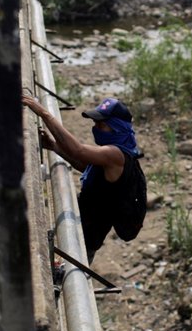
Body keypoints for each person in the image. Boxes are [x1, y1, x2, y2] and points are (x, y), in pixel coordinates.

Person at [22, 95, 146, 263]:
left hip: (84, 240)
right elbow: (88, 168)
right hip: (83, 231)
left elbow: (78, 151)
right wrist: (55, 147)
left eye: (101, 124)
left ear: (115, 128)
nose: (96, 128)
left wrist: (44, 114)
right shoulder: (121, 152)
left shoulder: (116, 154)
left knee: (67, 279)